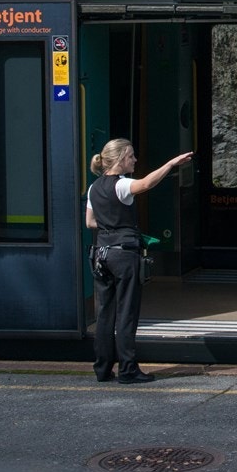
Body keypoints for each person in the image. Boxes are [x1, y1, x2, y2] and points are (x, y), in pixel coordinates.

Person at [86, 139, 193, 384]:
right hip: (124, 255)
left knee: (104, 314)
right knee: (126, 313)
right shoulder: (121, 185)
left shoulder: (94, 188)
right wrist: (171, 163)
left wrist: (109, 226)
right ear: (121, 158)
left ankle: (102, 369)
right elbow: (146, 183)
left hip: (101, 254)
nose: (135, 160)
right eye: (131, 156)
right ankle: (128, 370)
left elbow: (90, 223)